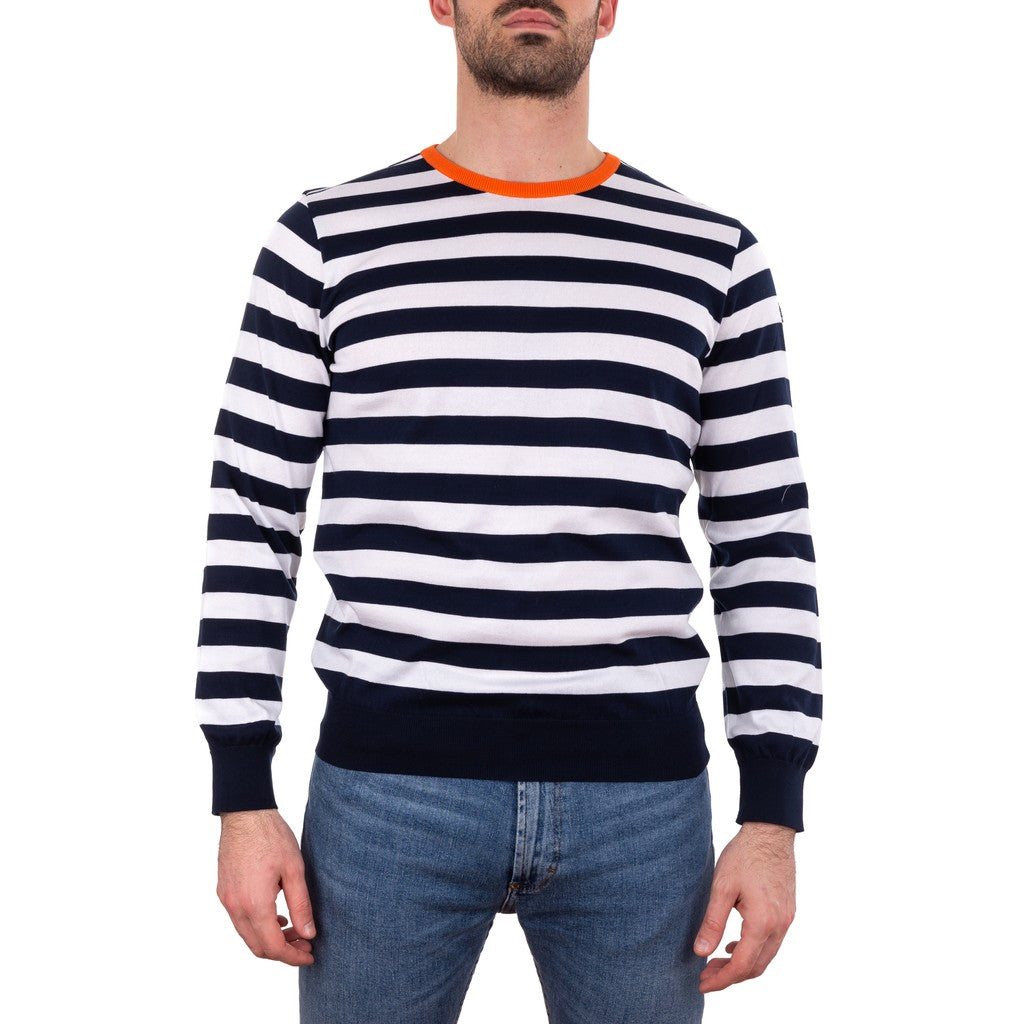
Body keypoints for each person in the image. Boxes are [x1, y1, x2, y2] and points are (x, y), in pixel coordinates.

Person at [195, 2, 822, 1021]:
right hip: (385, 798)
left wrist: (774, 814)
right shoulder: (324, 242)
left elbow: (764, 542)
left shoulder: (710, 256)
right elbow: (252, 522)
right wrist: (240, 792)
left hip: (643, 809)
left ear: (608, 8)